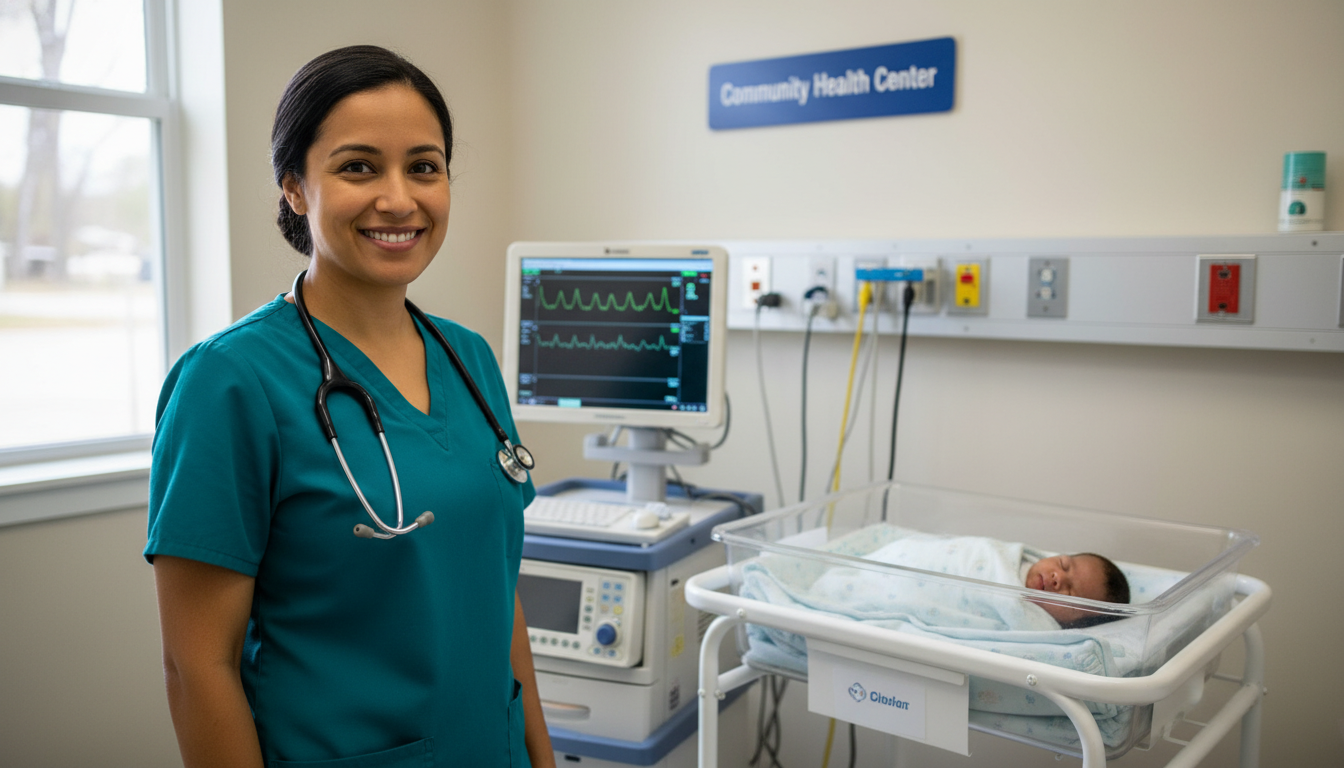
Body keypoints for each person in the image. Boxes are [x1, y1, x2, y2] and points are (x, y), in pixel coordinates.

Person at [146, 45, 554, 767]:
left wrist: (539, 755)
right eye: (358, 166)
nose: (399, 199)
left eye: (424, 167)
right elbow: (196, 667)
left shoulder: (471, 360)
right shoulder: (229, 383)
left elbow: (496, 591)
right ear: (295, 188)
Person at [1024, 552, 1131, 629]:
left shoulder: (1036, 628)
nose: (1058, 577)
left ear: (1072, 625)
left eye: (1070, 595)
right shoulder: (1020, 558)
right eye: (1063, 564)